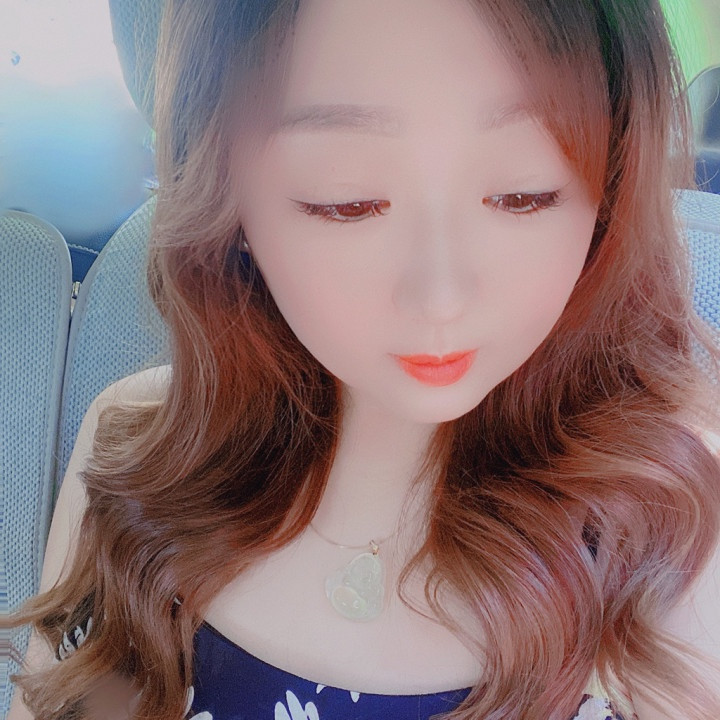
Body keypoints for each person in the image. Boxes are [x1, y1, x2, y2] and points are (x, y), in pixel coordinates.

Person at [5, 0, 720, 718]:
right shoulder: (132, 453)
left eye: (523, 194)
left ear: (611, 185)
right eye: (345, 202)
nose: (441, 296)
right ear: (225, 197)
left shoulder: (676, 526)